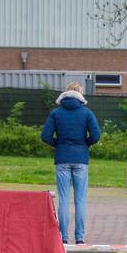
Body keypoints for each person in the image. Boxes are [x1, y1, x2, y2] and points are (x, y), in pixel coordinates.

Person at [41, 82, 100, 244]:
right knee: (80, 199)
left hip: (62, 158)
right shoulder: (86, 113)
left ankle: (63, 238)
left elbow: (45, 136)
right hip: (81, 159)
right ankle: (79, 238)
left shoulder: (56, 113)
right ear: (80, 94)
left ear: (66, 93)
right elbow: (96, 135)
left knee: (64, 199)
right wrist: (85, 144)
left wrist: (58, 144)